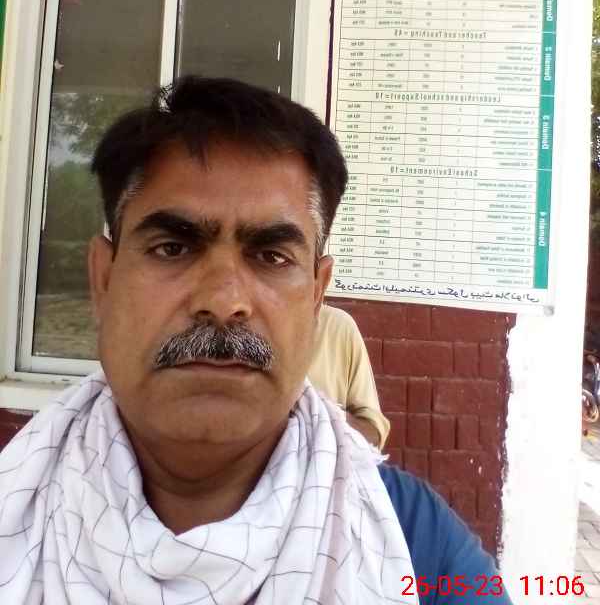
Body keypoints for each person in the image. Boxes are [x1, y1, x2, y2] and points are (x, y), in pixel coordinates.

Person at [0, 76, 513, 604]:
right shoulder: (15, 500)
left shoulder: (417, 549)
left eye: (272, 256)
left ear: (316, 296)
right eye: (173, 248)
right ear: (103, 280)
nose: (224, 301)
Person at [310, 304, 390, 448]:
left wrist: (326, 416)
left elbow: (373, 432)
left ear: (318, 292)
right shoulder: (263, 334)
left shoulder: (339, 327)